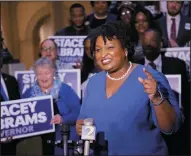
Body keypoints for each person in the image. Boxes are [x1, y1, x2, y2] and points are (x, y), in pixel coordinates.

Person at [76, 21, 184, 155]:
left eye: (110, 47)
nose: (103, 54)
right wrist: (79, 127)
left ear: (125, 50)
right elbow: (84, 119)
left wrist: (157, 98)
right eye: (98, 50)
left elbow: (171, 127)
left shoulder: (149, 76)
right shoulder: (93, 82)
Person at [16, 57, 81, 156]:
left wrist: (63, 119)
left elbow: (78, 113)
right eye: (40, 74)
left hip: (62, 143)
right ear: (35, 75)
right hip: (37, 144)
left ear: (53, 72)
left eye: (47, 73)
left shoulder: (65, 89)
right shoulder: (29, 93)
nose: (43, 77)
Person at [142, 28, 190, 155]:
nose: (148, 44)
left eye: (152, 41)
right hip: (145, 128)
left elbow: (185, 98)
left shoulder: (176, 65)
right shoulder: (134, 66)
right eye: (145, 41)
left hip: (173, 125)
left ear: (160, 43)